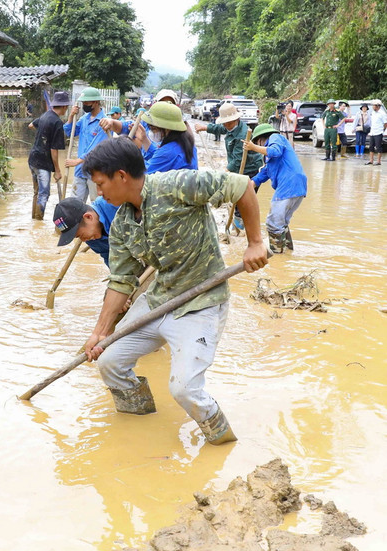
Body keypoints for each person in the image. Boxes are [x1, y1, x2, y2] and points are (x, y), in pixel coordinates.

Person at [80, 137, 268, 445]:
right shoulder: (123, 223)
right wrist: (100, 332)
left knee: (185, 390)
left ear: (122, 176)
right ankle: (138, 427)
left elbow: (242, 185)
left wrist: (255, 242)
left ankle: (221, 440)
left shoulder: (177, 184)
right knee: (109, 362)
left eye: (101, 184)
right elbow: (121, 281)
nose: (98, 193)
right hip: (159, 300)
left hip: (201, 302)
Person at [194, 102, 264, 231]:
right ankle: (239, 227)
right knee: (236, 200)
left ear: (236, 119)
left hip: (250, 170)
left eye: (229, 123)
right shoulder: (229, 127)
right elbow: (219, 129)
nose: (226, 125)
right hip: (238, 169)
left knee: (242, 201)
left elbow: (237, 161)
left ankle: (240, 230)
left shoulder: (243, 134)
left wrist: (223, 173)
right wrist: (204, 128)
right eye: (224, 123)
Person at [242, 123, 308, 253]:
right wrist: (251, 184)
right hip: (296, 185)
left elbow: (275, 152)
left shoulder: (275, 138)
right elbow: (266, 172)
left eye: (258, 143)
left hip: (288, 184)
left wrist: (253, 147)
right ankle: (287, 254)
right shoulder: (269, 154)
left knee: (273, 223)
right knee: (281, 223)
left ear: (261, 139)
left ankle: (277, 256)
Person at [27, 91, 69, 219]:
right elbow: (54, 150)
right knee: (44, 194)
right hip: (42, 163)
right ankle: (39, 220)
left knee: (37, 192)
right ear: (63, 107)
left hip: (32, 159)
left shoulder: (45, 116)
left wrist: (43, 135)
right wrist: (57, 170)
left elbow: (31, 125)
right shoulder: (57, 123)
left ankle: (34, 220)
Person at [64, 87, 108, 203]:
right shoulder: (84, 119)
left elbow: (96, 148)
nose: (84, 105)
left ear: (96, 102)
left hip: (96, 170)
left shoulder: (104, 122)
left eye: (87, 102)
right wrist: (71, 116)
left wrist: (77, 161)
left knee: (97, 203)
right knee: (74, 204)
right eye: (83, 102)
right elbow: (70, 132)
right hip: (80, 170)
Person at [132, 101, 198, 173]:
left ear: (167, 128)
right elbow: (159, 157)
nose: (151, 132)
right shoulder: (186, 144)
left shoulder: (168, 152)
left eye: (153, 128)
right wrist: (144, 139)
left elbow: (141, 176)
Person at [53, 196, 118, 266]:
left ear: (88, 217)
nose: (83, 240)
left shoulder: (114, 202)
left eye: (80, 235)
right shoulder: (92, 240)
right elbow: (112, 261)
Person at [367, 99, 387, 165]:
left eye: (374, 106)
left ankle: (378, 161)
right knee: (371, 146)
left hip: (378, 132)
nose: (373, 107)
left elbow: (385, 123)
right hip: (372, 132)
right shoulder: (373, 112)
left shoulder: (382, 113)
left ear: (378, 106)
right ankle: (371, 160)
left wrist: (382, 130)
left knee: (378, 147)